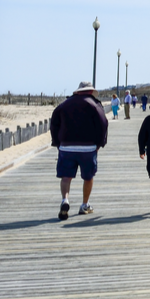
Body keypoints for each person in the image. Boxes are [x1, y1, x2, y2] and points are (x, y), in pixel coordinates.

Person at [50, 81, 108, 220]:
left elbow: (54, 124)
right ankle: (84, 204)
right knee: (88, 177)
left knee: (66, 177)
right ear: (90, 91)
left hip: (66, 146)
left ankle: (65, 200)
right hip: (88, 148)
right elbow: (103, 123)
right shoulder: (94, 104)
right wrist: (100, 143)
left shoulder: (64, 104)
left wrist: (57, 143)